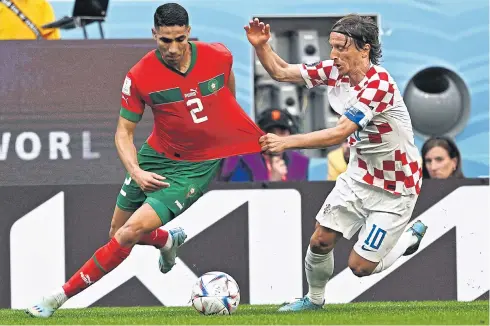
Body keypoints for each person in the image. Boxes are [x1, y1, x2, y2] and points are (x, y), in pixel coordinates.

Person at [26, 3, 264, 318]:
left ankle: (58, 298)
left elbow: (226, 95)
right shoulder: (140, 76)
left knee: (128, 233)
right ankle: (166, 240)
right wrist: (136, 171)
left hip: (195, 167)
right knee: (117, 233)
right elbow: (123, 134)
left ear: (189, 33)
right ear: (154, 35)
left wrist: (220, 133)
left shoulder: (218, 55)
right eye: (166, 40)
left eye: (180, 39)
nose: (174, 48)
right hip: (154, 157)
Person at [245, 14, 428, 311]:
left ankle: (406, 240)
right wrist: (261, 46)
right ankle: (314, 301)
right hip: (359, 175)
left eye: (341, 47)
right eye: (332, 46)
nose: (333, 54)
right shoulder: (335, 71)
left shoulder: (378, 84)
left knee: (360, 267)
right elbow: (281, 72)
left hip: (396, 185)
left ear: (364, 49)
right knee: (320, 240)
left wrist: (286, 142)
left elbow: (340, 132)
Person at [219, 108, 309, 182]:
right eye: (270, 132)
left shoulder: (300, 162)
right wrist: (273, 182)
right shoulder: (244, 162)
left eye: (282, 132)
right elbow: (238, 197)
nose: (276, 137)